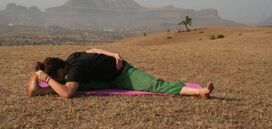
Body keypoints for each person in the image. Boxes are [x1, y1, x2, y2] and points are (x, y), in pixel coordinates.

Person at [28, 48, 214, 99]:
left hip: (124, 75)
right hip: (105, 81)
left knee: (156, 85)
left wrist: (48, 79)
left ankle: (199, 92)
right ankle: (38, 90)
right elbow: (93, 49)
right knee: (73, 86)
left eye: (57, 76)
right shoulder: (72, 57)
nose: (62, 78)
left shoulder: (76, 69)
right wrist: (112, 53)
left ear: (60, 71)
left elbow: (67, 94)